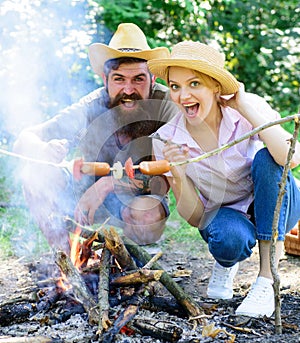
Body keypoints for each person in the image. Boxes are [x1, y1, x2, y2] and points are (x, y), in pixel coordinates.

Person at [147, 41, 300, 318]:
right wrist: (178, 170)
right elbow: (194, 218)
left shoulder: (246, 108)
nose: (183, 95)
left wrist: (243, 106)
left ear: (216, 86)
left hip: (276, 200)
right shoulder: (167, 138)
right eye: (175, 86)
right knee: (228, 241)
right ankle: (227, 263)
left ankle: (266, 280)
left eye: (195, 84)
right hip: (227, 213)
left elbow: (291, 158)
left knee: (268, 159)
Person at [13, 23, 177, 253]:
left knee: (147, 215)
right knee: (35, 175)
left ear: (152, 79)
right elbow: (25, 138)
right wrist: (42, 148)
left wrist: (107, 184)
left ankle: (137, 251)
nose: (128, 90)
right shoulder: (90, 106)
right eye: (119, 79)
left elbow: (178, 168)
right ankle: (67, 259)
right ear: (105, 79)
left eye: (138, 79)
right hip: (84, 191)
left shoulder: (169, 105)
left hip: (140, 195)